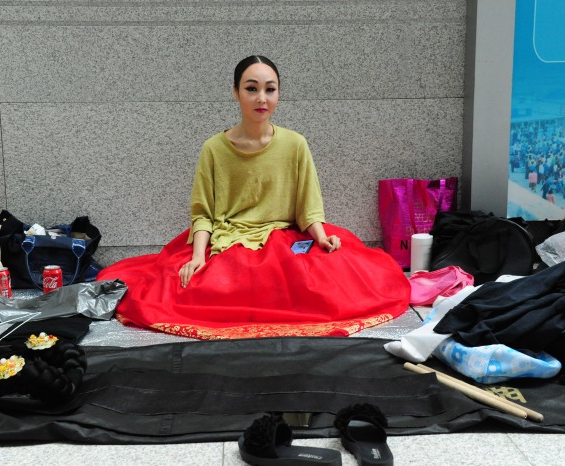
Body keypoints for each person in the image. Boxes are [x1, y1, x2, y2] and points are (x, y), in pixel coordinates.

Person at [97, 55, 410, 339]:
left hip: (284, 238)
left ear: (278, 94)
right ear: (236, 92)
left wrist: (321, 236)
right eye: (251, 88)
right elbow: (203, 213)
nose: (262, 98)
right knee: (187, 288)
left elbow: (309, 207)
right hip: (227, 239)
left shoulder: (296, 144)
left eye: (270, 89)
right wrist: (198, 255)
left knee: (334, 283)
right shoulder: (213, 148)